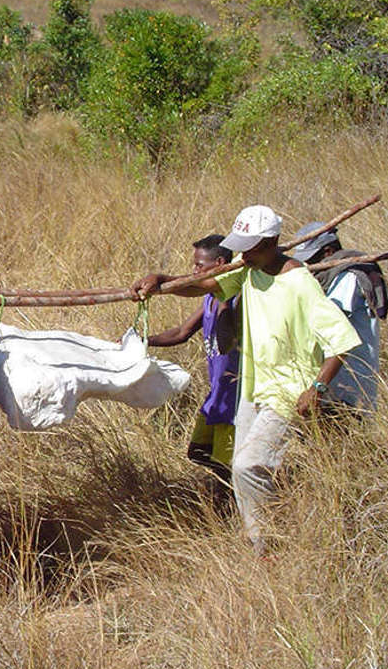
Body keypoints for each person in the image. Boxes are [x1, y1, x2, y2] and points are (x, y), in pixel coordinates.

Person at [131, 206, 361, 552]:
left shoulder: (299, 282)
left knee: (248, 465)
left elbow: (340, 340)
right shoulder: (248, 271)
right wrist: (162, 281)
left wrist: (316, 387)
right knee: (240, 469)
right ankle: (259, 541)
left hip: (288, 392)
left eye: (250, 247)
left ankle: (268, 544)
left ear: (272, 242)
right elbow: (205, 285)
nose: (243, 254)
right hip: (254, 389)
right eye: (241, 247)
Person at [147, 235, 239, 496]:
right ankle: (222, 498)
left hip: (233, 396)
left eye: (199, 266)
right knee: (200, 453)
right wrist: (144, 341)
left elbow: (192, 289)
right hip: (218, 391)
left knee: (226, 465)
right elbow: (181, 332)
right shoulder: (210, 298)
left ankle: (227, 509)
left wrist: (162, 280)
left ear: (220, 263)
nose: (194, 271)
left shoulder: (232, 295)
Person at [292, 222, 388, 412]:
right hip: (333, 382)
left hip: (348, 384)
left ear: (328, 252)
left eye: (312, 259)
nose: (309, 266)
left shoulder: (348, 278)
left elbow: (334, 322)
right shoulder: (331, 278)